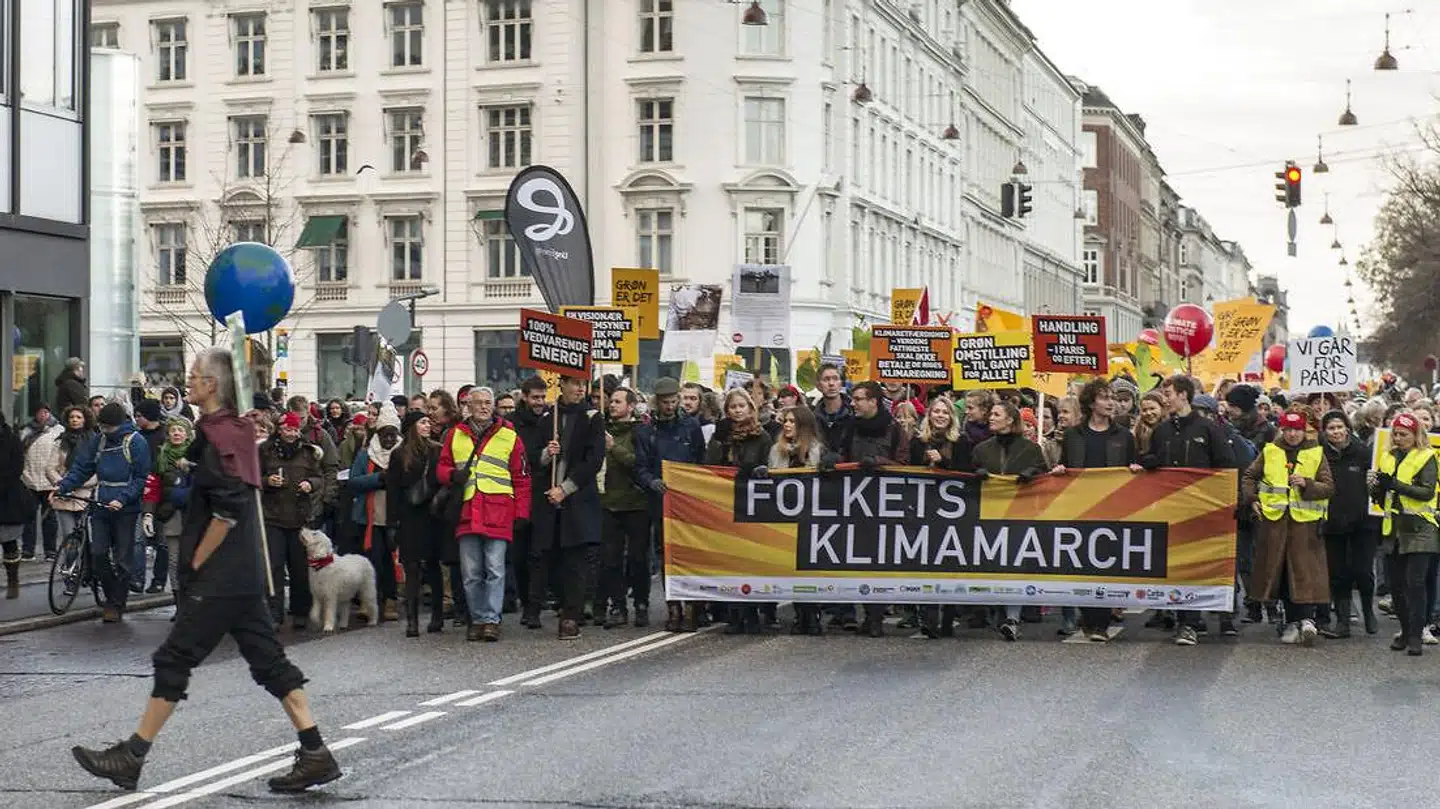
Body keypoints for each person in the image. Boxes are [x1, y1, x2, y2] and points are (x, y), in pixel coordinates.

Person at [70, 347, 343, 794]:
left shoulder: (223, 435)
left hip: (221, 577)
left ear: (212, 385)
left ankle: (131, 757)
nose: (189, 379)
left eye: (195, 375)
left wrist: (196, 562)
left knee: (174, 658)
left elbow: (230, 508)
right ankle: (315, 752)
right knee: (270, 663)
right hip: (243, 575)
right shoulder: (226, 431)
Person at [1141, 375, 1235, 645]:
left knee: (1199, 566)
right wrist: (1146, 463)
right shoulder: (1162, 431)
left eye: (1168, 393)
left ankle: (1196, 620)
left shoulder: (1208, 429)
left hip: (1202, 510)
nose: (1165, 398)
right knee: (1179, 567)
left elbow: (1226, 468)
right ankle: (1184, 621)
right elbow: (1156, 460)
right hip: (1172, 510)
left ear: (1183, 395)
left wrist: (1227, 503)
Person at [435, 387, 530, 642]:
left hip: (498, 510)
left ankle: (491, 619)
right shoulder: (455, 435)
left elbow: (521, 478)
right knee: (471, 571)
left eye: (488, 402)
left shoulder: (509, 436)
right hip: (467, 511)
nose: (485, 407)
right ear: (468, 405)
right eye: (479, 403)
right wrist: (452, 475)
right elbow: (441, 467)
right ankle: (477, 618)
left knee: (495, 569)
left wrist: (521, 512)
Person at [1051, 379, 1142, 642]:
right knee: (1082, 564)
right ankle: (1088, 617)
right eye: (1104, 397)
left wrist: (1134, 470)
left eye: (1112, 397)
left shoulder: (1124, 437)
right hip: (1080, 511)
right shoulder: (1073, 435)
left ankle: (1100, 622)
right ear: (1091, 403)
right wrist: (1059, 470)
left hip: (1112, 512)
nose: (1111, 402)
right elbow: (1065, 465)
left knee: (1105, 565)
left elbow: (1130, 466)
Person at [1241, 411, 1334, 646]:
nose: (1292, 434)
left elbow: (1329, 487)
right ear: (1282, 430)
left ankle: (1306, 619)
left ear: (1304, 430)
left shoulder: (1316, 452)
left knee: (1304, 572)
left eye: (1297, 429)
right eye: (1288, 429)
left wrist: (1307, 484)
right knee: (1280, 572)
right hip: (1275, 523)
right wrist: (1252, 499)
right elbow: (1249, 476)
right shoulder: (1270, 451)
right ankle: (1292, 621)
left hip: (1304, 525)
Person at [52, 402, 150, 623]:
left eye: (108, 426)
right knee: (98, 553)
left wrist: (122, 499)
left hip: (125, 509)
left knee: (123, 558)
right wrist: (63, 488)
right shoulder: (100, 440)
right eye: (102, 426)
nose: (104, 430)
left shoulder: (136, 442)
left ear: (119, 424)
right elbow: (82, 467)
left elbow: (140, 478)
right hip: (101, 506)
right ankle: (111, 593)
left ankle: (115, 603)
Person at [530, 375, 605, 641]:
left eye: (582, 384)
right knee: (553, 560)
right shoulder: (547, 417)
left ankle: (571, 616)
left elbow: (593, 460)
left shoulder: (592, 417)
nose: (579, 388)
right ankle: (561, 605)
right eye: (574, 383)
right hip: (549, 500)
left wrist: (566, 488)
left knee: (576, 560)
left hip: (576, 499)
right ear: (560, 385)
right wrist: (545, 454)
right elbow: (532, 458)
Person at [634, 377, 707, 633]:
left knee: (691, 552)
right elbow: (640, 467)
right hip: (661, 502)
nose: (670, 406)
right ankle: (673, 606)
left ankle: (692, 608)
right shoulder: (646, 430)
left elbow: (701, 459)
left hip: (687, 499)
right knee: (667, 556)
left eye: (674, 401)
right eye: (665, 402)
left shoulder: (690, 425)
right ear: (657, 402)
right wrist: (651, 481)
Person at [973, 401, 1047, 641]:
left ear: (1010, 420)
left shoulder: (1031, 449)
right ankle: (996, 610)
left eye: (996, 414)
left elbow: (1044, 476)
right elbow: (968, 472)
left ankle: (1012, 617)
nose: (990, 417)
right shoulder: (982, 449)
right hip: (989, 514)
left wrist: (1032, 474)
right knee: (994, 563)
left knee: (1014, 564)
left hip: (1020, 515)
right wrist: (978, 473)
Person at [705, 388, 773, 635]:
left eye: (741, 406)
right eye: (732, 407)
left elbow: (767, 465)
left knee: (751, 560)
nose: (737, 411)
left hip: (753, 503)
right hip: (726, 501)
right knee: (729, 560)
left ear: (750, 408)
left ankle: (754, 612)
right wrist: (719, 440)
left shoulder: (762, 436)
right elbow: (710, 464)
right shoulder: (723, 434)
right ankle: (734, 613)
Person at [1372, 412, 1438, 656]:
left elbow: (1427, 493)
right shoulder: (1388, 457)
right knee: (1396, 585)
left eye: (1404, 434)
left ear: (1415, 435)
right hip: (1394, 529)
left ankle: (1415, 636)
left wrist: (1395, 485)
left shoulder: (1427, 457)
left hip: (1421, 528)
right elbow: (1382, 497)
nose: (1399, 438)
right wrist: (1376, 489)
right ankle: (1405, 628)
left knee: (1416, 583)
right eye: (1396, 434)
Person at [258, 412, 324, 630]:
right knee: (274, 568)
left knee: (299, 568)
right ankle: (274, 613)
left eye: (295, 430)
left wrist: (310, 484)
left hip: (299, 517)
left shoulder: (307, 452)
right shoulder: (265, 450)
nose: (291, 433)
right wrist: (267, 481)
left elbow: (318, 477)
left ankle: (300, 611)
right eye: (288, 429)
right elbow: (253, 478)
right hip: (273, 517)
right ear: (280, 429)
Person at [388, 410, 449, 637]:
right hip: (409, 517)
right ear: (412, 427)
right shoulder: (399, 455)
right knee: (411, 569)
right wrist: (392, 524)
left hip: (433, 515)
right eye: (422, 422)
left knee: (433, 567)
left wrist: (439, 499)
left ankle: (437, 616)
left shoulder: (437, 450)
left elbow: (445, 481)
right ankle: (412, 621)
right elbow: (393, 491)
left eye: (428, 422)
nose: (427, 426)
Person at [769, 405, 829, 635]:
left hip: (812, 515)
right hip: (786, 516)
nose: (786, 425)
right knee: (793, 567)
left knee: (810, 568)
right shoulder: (776, 451)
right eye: (785, 421)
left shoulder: (817, 451)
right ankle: (798, 613)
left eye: (792, 421)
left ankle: (811, 612)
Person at [1317, 410, 1377, 638]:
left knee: (1363, 571)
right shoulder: (1319, 455)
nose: (1336, 432)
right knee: (1338, 573)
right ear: (1325, 432)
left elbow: (1377, 483)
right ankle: (1342, 621)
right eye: (1331, 428)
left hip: (1364, 523)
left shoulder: (1363, 452)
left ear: (1348, 429)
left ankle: (1368, 612)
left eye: (1340, 427)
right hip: (1333, 523)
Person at [598, 387, 652, 629]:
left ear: (630, 406)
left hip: (636, 504)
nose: (612, 405)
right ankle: (617, 605)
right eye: (611, 401)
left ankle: (641, 604)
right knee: (611, 559)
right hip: (608, 503)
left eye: (618, 401)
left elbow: (638, 463)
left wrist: (613, 447)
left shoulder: (639, 431)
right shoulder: (601, 429)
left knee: (638, 559)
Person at [348, 404, 403, 623]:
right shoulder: (365, 455)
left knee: (391, 561)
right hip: (368, 517)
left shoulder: (403, 454)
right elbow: (353, 481)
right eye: (384, 435)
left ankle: (390, 599)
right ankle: (368, 600)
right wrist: (379, 479)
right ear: (378, 434)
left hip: (394, 517)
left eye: (392, 435)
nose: (389, 440)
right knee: (371, 560)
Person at [141, 418, 194, 601]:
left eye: (180, 430)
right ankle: (179, 603)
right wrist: (148, 513)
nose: (177, 433)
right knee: (173, 561)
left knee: (192, 561)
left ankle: (193, 601)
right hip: (170, 516)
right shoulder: (161, 457)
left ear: (187, 433)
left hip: (194, 516)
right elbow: (152, 488)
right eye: (173, 430)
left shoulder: (197, 455)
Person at [19, 402, 61, 561]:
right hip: (29, 480)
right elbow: (20, 453)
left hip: (49, 481)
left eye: (45, 412)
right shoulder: (26, 431)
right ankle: (28, 550)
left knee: (49, 518)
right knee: (29, 517)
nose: (42, 415)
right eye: (39, 412)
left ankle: (50, 551)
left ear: (49, 413)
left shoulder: (58, 431)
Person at [0, 413, 33, 598]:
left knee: (9, 542)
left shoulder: (11, 440)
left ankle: (13, 581)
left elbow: (17, 468)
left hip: (7, 498)